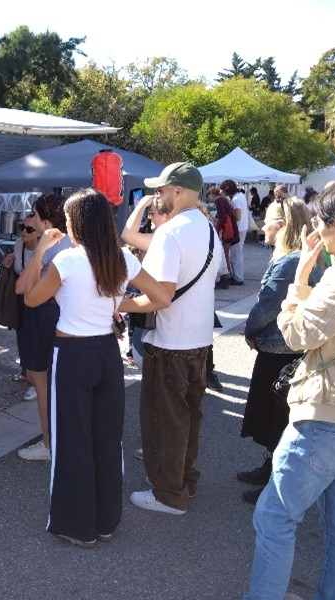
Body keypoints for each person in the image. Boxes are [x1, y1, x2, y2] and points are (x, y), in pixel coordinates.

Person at [244, 180, 335, 600]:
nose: (316, 229)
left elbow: (297, 334)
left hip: (325, 415)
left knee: (275, 516)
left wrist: (300, 278)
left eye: (321, 221)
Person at [23, 188, 170, 548]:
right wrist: (120, 303)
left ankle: (77, 526)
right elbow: (162, 297)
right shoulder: (122, 258)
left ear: (77, 224)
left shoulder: (67, 260)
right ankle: (105, 521)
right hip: (107, 352)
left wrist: (40, 250)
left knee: (71, 438)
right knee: (107, 438)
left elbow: (31, 298)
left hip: (72, 354)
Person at [122, 162, 221, 516]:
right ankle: (184, 482)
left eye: (161, 190)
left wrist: (120, 303)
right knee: (189, 419)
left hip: (170, 344)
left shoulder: (170, 232)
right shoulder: (208, 228)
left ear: (178, 191)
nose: (157, 196)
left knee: (164, 422)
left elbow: (161, 296)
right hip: (199, 341)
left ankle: (168, 494)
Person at [238, 198, 322, 505]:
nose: (263, 226)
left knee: (277, 419)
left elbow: (267, 306)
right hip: (287, 347)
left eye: (268, 220)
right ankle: (270, 469)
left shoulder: (290, 261)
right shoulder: (299, 257)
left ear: (283, 225)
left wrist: (249, 331)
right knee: (277, 418)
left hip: (281, 350)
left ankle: (276, 485)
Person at [14, 194, 72, 462]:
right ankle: (59, 439)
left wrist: (37, 253)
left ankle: (49, 443)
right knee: (53, 381)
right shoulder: (74, 242)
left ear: (47, 222)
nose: (32, 220)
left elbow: (21, 288)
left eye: (35, 216)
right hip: (64, 315)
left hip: (45, 315)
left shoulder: (50, 247)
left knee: (41, 382)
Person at [121, 191, 173, 366]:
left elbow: (128, 234)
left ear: (166, 216)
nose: (150, 218)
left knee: (146, 360)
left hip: (157, 310)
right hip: (157, 310)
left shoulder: (164, 239)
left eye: (152, 213)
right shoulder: (172, 237)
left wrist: (143, 203)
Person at [1, 213, 42, 401]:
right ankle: (25, 370)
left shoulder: (44, 248)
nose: (24, 232)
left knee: (35, 338)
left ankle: (36, 381)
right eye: (21, 227)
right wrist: (7, 265)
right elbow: (18, 269)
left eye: (29, 229)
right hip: (21, 296)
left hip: (39, 296)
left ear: (39, 232)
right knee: (21, 332)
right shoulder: (19, 244)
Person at [221, 179, 248, 285]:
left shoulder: (236, 200)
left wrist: (229, 213)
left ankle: (238, 277)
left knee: (236, 255)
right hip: (242, 227)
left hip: (238, 229)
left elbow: (237, 216)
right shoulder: (241, 195)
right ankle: (237, 275)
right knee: (237, 254)